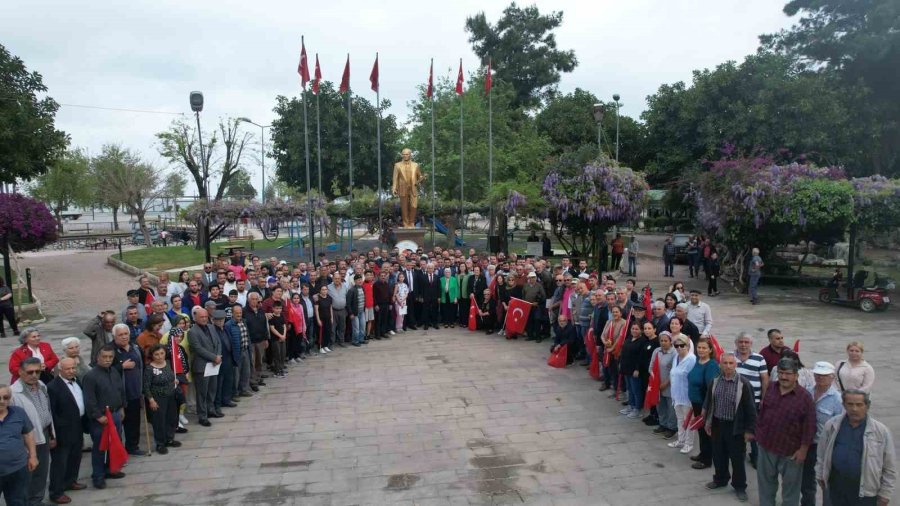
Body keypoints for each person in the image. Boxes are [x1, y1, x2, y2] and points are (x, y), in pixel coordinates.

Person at [816, 390, 896, 506]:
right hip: (835, 489)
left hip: (865, 494)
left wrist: (885, 494)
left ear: (867, 406)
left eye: (859, 405)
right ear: (844, 405)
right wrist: (820, 474)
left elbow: (889, 467)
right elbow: (821, 453)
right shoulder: (832, 425)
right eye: (850, 404)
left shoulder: (880, 431)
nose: (854, 409)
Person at [756, 357, 816, 506]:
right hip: (767, 446)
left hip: (791, 452)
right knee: (765, 485)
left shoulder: (805, 397)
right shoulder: (771, 388)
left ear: (796, 375)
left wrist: (803, 450)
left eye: (788, 373)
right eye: (781, 372)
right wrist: (759, 433)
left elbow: (809, 427)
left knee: (790, 490)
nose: (783, 376)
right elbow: (762, 412)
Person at [702, 352, 757, 503]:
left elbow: (751, 409)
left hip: (735, 427)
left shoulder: (744, 384)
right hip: (717, 424)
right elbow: (708, 400)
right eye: (725, 363)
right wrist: (707, 419)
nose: (728, 366)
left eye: (731, 363)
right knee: (718, 455)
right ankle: (720, 479)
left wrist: (749, 430)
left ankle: (739, 486)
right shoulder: (715, 381)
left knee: (737, 458)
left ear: (736, 365)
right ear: (720, 365)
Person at [11, 357, 55, 506]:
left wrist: (52, 434)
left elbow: (47, 410)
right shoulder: (14, 393)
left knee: (42, 471)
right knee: (28, 474)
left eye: (38, 371)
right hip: (26, 439)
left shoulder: (42, 386)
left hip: (44, 434)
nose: (34, 375)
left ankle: (37, 501)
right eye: (30, 372)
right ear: (20, 372)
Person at [82, 345, 126, 489]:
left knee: (114, 444)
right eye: (104, 357)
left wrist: (122, 407)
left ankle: (110, 469)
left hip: (115, 414)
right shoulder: (90, 376)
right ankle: (98, 476)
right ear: (98, 358)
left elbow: (120, 390)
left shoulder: (114, 371)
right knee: (100, 447)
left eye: (110, 357)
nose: (107, 360)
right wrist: (98, 416)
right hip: (101, 417)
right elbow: (89, 399)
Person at [802, 361, 844, 506]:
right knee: (807, 479)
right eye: (818, 374)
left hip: (825, 446)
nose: (820, 378)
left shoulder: (837, 399)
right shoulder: (807, 392)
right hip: (807, 443)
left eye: (824, 375)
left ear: (832, 377)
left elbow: (840, 425)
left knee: (826, 480)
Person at [47, 358, 88, 505]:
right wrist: (53, 434)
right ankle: (56, 492)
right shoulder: (52, 387)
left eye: (73, 368)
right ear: (60, 370)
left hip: (78, 425)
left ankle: (71, 481)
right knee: (60, 462)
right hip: (62, 430)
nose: (71, 371)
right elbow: (52, 412)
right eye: (67, 369)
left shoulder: (77, 381)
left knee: (75, 456)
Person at [734, 331, 770, 468]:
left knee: (754, 428)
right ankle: (740, 453)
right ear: (736, 343)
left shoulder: (759, 358)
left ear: (751, 344)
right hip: (735, 401)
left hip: (754, 401)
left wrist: (763, 398)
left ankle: (756, 456)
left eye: (746, 342)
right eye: (741, 342)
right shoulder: (730, 357)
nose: (743, 345)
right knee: (737, 428)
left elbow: (764, 379)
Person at [0, 383, 38, 505]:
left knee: (19, 502)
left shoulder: (18, 413)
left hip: (18, 469)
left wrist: (33, 456)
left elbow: (28, 434)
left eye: (5, 397)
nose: (2, 401)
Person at [111, 323, 144, 456]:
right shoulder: (109, 350)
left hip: (135, 391)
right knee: (119, 424)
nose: (124, 337)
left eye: (126, 334)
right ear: (114, 336)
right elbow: (104, 370)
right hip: (119, 394)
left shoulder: (135, 347)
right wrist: (121, 367)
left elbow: (142, 365)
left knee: (134, 421)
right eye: (121, 335)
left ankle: (132, 446)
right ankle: (118, 452)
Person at [142, 344, 181, 455]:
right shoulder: (149, 368)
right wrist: (151, 400)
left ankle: (169, 439)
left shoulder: (167, 363)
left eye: (162, 353)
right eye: (156, 354)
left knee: (171, 418)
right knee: (159, 421)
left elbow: (170, 376)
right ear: (152, 355)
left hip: (170, 396)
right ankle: (160, 443)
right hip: (158, 398)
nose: (160, 356)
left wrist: (174, 381)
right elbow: (146, 386)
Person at [687, 338, 720, 469]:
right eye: (699, 347)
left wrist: (705, 408)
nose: (701, 350)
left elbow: (711, 388)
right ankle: (703, 453)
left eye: (704, 348)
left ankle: (706, 460)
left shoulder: (711, 365)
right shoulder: (698, 361)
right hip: (696, 402)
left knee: (706, 431)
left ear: (710, 350)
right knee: (700, 430)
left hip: (704, 404)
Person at [189, 308, 221, 426]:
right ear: (195, 318)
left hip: (214, 364)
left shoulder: (211, 327)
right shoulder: (192, 332)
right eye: (201, 317)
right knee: (202, 392)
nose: (204, 319)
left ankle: (211, 410)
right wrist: (214, 357)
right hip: (202, 366)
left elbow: (218, 342)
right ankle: (202, 416)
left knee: (212, 389)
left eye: (206, 317)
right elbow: (198, 348)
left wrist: (218, 356)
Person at [668, 334, 697, 454]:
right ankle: (681, 440)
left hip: (687, 396)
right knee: (680, 419)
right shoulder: (676, 357)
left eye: (682, 345)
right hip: (676, 394)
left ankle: (689, 444)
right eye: (676, 346)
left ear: (688, 346)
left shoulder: (692, 359)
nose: (679, 348)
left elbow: (693, 379)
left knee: (689, 420)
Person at [619, 320, 651, 419]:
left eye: (637, 329)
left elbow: (641, 357)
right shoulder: (629, 339)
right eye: (632, 328)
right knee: (629, 388)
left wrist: (637, 369)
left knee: (636, 390)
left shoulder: (642, 341)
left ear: (641, 330)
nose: (634, 330)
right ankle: (631, 405)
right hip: (626, 369)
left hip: (635, 371)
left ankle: (637, 409)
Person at [652, 331, 678, 439]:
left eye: (665, 341)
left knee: (671, 408)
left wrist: (666, 383)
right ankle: (663, 424)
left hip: (669, 385)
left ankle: (672, 427)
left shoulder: (675, 353)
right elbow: (651, 367)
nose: (663, 343)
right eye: (661, 341)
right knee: (660, 406)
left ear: (670, 341)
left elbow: (675, 370)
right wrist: (654, 382)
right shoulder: (656, 351)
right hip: (657, 384)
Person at [599, 305, 627, 393]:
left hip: (617, 351)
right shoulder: (609, 322)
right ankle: (608, 384)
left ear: (621, 313)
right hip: (606, 349)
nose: (615, 313)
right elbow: (602, 335)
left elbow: (620, 337)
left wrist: (612, 348)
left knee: (616, 371)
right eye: (613, 312)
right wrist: (605, 342)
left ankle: (619, 389)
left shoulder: (624, 323)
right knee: (607, 368)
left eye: (616, 312)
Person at [315, 285, 334, 353]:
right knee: (321, 334)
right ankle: (321, 347)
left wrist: (331, 317)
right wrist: (318, 320)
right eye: (323, 289)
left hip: (328, 318)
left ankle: (325, 346)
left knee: (327, 332)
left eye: (325, 289)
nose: (324, 291)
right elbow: (316, 310)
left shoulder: (329, 298)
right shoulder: (318, 299)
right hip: (321, 319)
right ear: (320, 291)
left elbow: (330, 308)